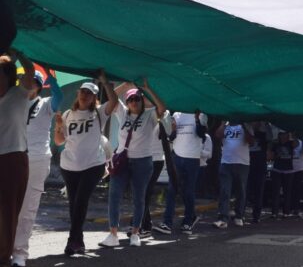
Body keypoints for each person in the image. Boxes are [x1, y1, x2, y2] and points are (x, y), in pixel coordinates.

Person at [54, 72, 118, 256]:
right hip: (69, 165)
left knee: (81, 201)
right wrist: (58, 125)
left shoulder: (99, 113)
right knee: (74, 204)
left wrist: (105, 82)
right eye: (83, 92)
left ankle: (71, 241)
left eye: (89, 94)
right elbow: (59, 141)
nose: (85, 95)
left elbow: (113, 101)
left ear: (94, 98)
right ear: (78, 94)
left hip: (93, 165)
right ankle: (79, 242)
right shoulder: (67, 114)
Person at [100, 80, 167, 249]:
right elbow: (112, 97)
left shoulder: (150, 115)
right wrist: (126, 85)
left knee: (139, 198)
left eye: (137, 99)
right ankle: (113, 233)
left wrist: (147, 88)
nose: (133, 102)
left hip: (142, 162)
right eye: (130, 100)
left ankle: (136, 233)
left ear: (142, 101)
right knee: (114, 195)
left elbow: (162, 108)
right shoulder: (122, 112)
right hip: (122, 161)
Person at [12, 70, 63, 267]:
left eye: (31, 81)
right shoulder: (13, 101)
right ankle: (5, 248)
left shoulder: (45, 104)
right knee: (8, 207)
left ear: (39, 85)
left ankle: (19, 252)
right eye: (22, 80)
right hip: (14, 157)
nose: (26, 83)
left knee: (27, 208)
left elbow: (59, 99)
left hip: (37, 159)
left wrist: (53, 80)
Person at [0, 51, 37, 267]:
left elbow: (30, 71)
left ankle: (3, 261)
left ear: (8, 77)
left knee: (8, 211)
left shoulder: (20, 93)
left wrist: (19, 53)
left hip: (14, 158)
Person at [157, 110, 208, 234]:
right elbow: (172, 137)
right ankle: (167, 223)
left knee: (188, 191)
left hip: (192, 158)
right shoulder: (177, 115)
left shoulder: (201, 114)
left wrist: (197, 119)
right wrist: (173, 129)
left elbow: (202, 134)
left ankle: (188, 222)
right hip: (177, 157)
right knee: (171, 189)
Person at [214, 121, 254, 227]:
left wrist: (244, 126)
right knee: (225, 191)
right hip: (226, 162)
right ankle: (223, 218)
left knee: (241, 191)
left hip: (242, 163)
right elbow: (217, 135)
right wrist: (223, 124)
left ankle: (239, 216)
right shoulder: (225, 126)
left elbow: (251, 141)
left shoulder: (246, 126)